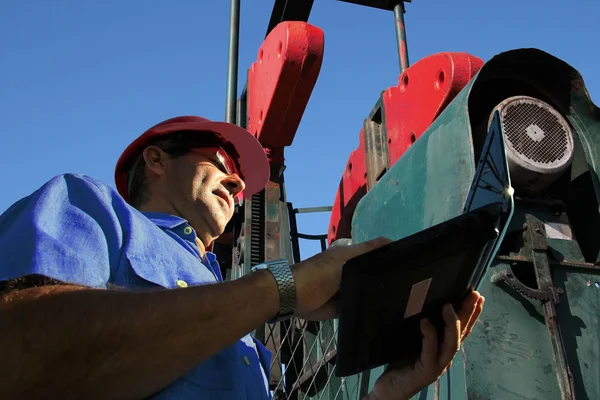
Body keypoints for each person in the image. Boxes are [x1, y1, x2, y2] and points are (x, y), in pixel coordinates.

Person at [0, 116, 484, 400]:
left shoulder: (236, 322)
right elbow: (21, 353)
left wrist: (388, 392)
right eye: (220, 162)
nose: (236, 183)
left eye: (241, 179)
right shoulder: (88, 206)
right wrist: (284, 286)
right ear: (156, 160)